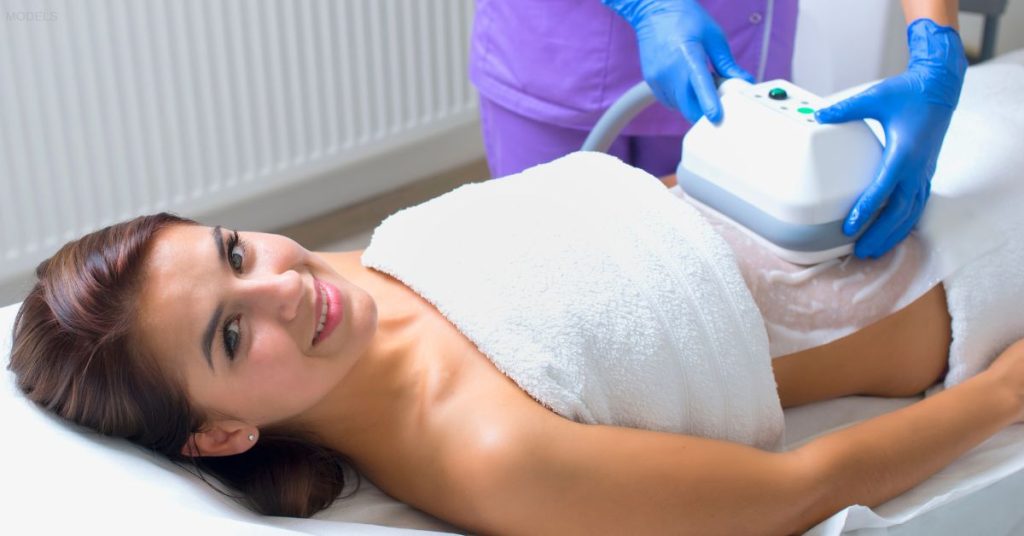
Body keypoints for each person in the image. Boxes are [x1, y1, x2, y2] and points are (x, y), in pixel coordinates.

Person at [8, 153, 1024, 534]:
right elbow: (791, 494)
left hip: (836, 175)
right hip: (950, 288)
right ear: (223, 431)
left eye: (234, 249)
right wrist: (999, 398)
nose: (286, 282)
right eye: (231, 332)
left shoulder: (340, 285)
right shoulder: (486, 453)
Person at [470, 0, 967, 259]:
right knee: (547, 269)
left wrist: (936, 46)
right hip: (557, 58)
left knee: (697, 277)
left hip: (729, 71)